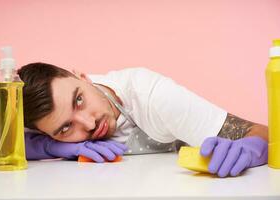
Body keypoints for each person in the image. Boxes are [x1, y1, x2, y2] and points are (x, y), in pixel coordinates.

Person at [18, 62, 268, 178]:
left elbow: (261, 132)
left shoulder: (153, 96)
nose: (89, 124)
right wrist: (49, 146)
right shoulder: (45, 118)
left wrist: (252, 148)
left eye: (79, 100)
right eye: (65, 127)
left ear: (82, 76)